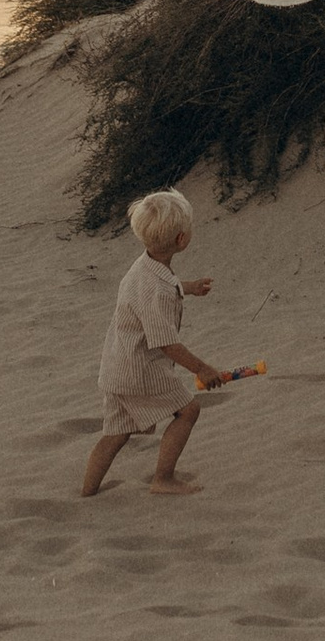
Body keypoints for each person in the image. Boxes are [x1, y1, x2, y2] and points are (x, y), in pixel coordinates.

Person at [81, 188, 226, 496]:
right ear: (181, 240)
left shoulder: (143, 267)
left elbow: (160, 290)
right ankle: (163, 478)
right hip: (141, 370)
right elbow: (166, 343)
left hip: (116, 367)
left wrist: (188, 287)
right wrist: (201, 368)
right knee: (188, 411)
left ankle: (87, 492)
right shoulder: (157, 288)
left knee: (115, 434)